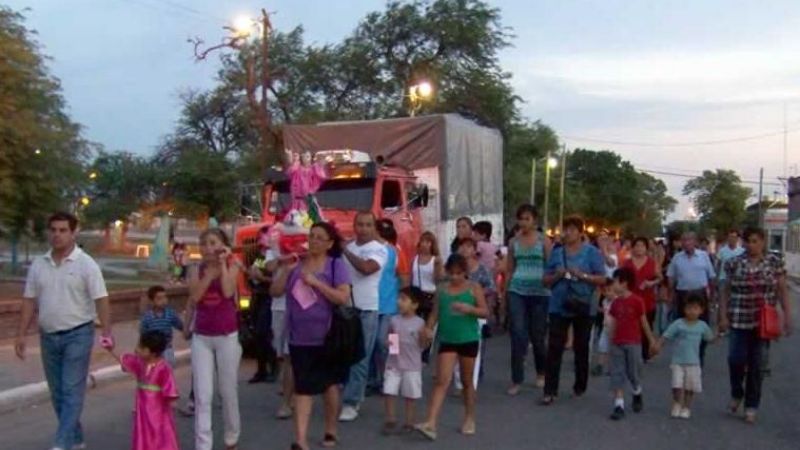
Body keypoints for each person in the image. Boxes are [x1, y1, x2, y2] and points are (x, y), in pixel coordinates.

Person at [16, 211, 113, 450]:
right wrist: (21, 334)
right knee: (58, 393)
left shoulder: (86, 264)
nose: (57, 235)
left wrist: (107, 332)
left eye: (63, 230)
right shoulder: (39, 264)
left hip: (78, 334)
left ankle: (61, 443)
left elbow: (101, 299)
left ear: (73, 232)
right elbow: (29, 300)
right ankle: (76, 438)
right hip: (48, 336)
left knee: (71, 389)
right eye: (54, 230)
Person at [270, 222, 352, 450]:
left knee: (329, 386)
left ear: (329, 243)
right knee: (303, 388)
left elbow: (343, 297)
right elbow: (274, 292)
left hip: (327, 337)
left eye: (319, 237)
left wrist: (317, 283)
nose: (314, 241)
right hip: (299, 337)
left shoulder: (335, 266)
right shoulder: (297, 265)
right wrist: (285, 271)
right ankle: (300, 439)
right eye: (312, 236)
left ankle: (330, 429)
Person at [719, 226, 792, 424]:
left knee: (757, 365)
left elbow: (782, 289)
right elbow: (725, 291)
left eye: (755, 241)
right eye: (748, 241)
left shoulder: (774, 262)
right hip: (739, 318)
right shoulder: (734, 263)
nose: (752, 245)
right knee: (736, 359)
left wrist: (787, 316)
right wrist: (722, 316)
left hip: (763, 322)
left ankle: (752, 405)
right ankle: (737, 392)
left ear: (763, 242)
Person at [415, 255, 489, 440]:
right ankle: (431, 422)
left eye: (459, 273)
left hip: (468, 338)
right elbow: (435, 313)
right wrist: (429, 328)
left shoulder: (473, 288)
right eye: (452, 273)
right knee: (442, 380)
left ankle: (469, 417)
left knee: (466, 381)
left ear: (465, 272)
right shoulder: (441, 290)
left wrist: (469, 309)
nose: (455, 277)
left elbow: (485, 311)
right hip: (447, 339)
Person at [185, 228, 242, 450]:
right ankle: (203, 444)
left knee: (228, 390)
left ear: (222, 245)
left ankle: (231, 435)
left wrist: (225, 264)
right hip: (202, 336)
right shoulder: (195, 270)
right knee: (203, 394)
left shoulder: (233, 265)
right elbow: (195, 296)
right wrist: (209, 273)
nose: (207, 248)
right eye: (204, 243)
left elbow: (228, 292)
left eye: (212, 242)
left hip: (227, 336)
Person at [540, 215, 606, 405]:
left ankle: (580, 384)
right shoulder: (557, 252)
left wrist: (582, 275)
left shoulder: (591, 253)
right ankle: (550, 389)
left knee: (581, 346)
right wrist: (556, 275)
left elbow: (602, 278)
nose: (567, 233)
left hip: (583, 304)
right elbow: (545, 279)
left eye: (571, 230)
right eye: (565, 229)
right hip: (559, 305)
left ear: (580, 233)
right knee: (554, 347)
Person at [339, 212, 389, 422]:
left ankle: (352, 401)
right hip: (345, 306)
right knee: (343, 355)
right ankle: (345, 393)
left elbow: (367, 268)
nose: (363, 228)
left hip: (368, 308)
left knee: (361, 356)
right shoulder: (349, 246)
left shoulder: (380, 249)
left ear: (374, 227)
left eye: (368, 225)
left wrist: (345, 251)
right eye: (359, 224)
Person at [106, 331, 179, 450]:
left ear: (153, 352)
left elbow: (169, 388)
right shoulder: (139, 363)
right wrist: (111, 349)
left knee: (159, 430)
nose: (137, 349)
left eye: (142, 347)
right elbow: (124, 359)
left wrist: (171, 403)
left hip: (158, 409)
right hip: (142, 408)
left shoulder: (164, 368)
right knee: (143, 430)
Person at [505, 204, 551, 395]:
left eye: (527, 218)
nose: (523, 222)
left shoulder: (544, 241)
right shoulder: (513, 242)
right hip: (517, 290)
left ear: (534, 220)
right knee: (517, 334)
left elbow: (550, 267)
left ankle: (541, 372)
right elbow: (509, 269)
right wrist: (505, 292)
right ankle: (517, 379)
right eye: (521, 219)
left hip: (540, 293)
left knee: (537, 336)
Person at [652, 293, 714, 419]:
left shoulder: (702, 326)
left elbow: (710, 338)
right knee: (677, 385)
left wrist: (720, 333)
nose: (692, 311)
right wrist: (658, 345)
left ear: (701, 310)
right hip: (678, 361)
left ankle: (686, 407)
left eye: (695, 308)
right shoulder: (678, 324)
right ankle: (676, 403)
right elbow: (666, 335)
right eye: (689, 308)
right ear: (684, 309)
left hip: (694, 362)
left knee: (690, 387)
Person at [606, 267, 657, 420]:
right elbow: (613, 323)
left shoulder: (637, 301)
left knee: (633, 372)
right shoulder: (615, 303)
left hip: (633, 342)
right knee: (617, 373)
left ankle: (637, 391)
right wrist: (610, 341)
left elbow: (644, 322)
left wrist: (651, 340)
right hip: (617, 342)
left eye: (615, 281)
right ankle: (619, 404)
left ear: (624, 283)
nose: (613, 284)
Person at [369, 219, 411, 396]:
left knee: (388, 343)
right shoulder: (368, 251)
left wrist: (405, 305)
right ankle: (375, 380)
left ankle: (393, 376)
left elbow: (404, 277)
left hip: (391, 307)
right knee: (371, 345)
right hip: (370, 305)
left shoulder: (395, 251)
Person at [667, 231, 716, 365]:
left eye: (690, 240)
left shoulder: (703, 256)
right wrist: (670, 296)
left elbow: (711, 276)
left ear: (695, 242)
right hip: (682, 295)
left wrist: (712, 295)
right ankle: (683, 356)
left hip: (700, 295)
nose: (687, 243)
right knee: (682, 326)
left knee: (702, 325)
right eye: (684, 240)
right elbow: (671, 277)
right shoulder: (677, 258)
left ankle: (700, 354)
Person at [453, 237, 495, 391]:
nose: (464, 249)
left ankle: (472, 383)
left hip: (476, 312)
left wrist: (476, 294)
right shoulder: (455, 269)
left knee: (474, 351)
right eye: (462, 246)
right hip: (457, 313)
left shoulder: (482, 269)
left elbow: (491, 287)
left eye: (468, 246)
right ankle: (459, 383)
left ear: (474, 249)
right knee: (456, 348)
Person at [382, 288, 426, 435]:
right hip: (394, 363)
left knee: (410, 394)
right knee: (389, 390)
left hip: (412, 365)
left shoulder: (420, 323)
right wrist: (389, 344)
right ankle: (390, 418)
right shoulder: (394, 320)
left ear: (415, 305)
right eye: (399, 298)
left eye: (404, 299)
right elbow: (391, 336)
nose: (399, 302)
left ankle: (409, 421)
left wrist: (424, 337)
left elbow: (423, 345)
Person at [623, 237, 662, 361]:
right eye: (637, 246)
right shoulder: (627, 263)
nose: (639, 249)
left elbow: (660, 277)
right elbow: (621, 279)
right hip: (630, 299)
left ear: (646, 248)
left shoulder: (651, 262)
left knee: (647, 326)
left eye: (642, 246)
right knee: (632, 327)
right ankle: (631, 351)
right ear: (633, 248)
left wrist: (651, 283)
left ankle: (644, 352)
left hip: (647, 299)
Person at [248, 226, 278, 384]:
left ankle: (273, 368)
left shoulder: (276, 256)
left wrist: (263, 278)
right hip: (258, 296)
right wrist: (252, 274)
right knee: (257, 334)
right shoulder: (261, 255)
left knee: (265, 333)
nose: (261, 241)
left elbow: (279, 279)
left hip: (269, 296)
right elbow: (254, 271)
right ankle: (261, 370)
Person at [139, 285, 183, 367]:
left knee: (168, 370)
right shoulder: (147, 317)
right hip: (152, 353)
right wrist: (141, 349)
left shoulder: (170, 314)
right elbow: (143, 334)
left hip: (167, 349)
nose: (163, 301)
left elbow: (180, 325)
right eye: (159, 298)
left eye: (165, 297)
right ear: (152, 301)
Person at [412, 231, 444, 323]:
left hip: (430, 296)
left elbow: (438, 280)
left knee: (428, 324)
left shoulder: (435, 260)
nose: (425, 244)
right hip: (416, 296)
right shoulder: (415, 259)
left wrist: (438, 267)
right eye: (423, 241)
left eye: (428, 242)